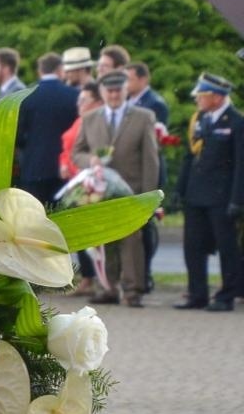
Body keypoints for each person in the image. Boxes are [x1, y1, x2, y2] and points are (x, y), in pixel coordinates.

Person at [73, 70, 159, 307]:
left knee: (132, 242)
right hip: (100, 192)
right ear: (102, 92)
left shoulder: (143, 117)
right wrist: (90, 160)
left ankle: (133, 291)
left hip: (132, 192)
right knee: (104, 240)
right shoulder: (90, 118)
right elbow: (76, 152)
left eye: (117, 90)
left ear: (124, 91)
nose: (113, 94)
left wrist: (149, 196)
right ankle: (108, 288)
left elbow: (151, 160)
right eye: (109, 91)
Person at [174, 73, 243, 312]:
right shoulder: (200, 120)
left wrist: (237, 199)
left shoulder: (235, 122)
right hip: (196, 193)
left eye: (202, 96)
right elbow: (190, 157)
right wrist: (180, 189)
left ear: (216, 97)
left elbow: (240, 165)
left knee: (227, 247)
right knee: (193, 246)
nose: (198, 101)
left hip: (221, 196)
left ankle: (226, 295)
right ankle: (197, 293)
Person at [15, 53, 81, 206]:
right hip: (64, 168)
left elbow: (18, 135)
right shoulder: (73, 95)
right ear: (60, 70)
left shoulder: (25, 96)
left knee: (35, 218)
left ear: (40, 71)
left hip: (33, 167)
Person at [127, 62, 170, 287]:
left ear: (143, 79)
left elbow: (154, 144)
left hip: (148, 169)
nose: (126, 84)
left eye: (130, 79)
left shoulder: (154, 104)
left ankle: (147, 273)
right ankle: (137, 274)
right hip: (130, 170)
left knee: (147, 225)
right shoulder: (128, 103)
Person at [63, 80, 106, 296]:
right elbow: (70, 147)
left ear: (98, 101)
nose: (79, 103)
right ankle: (88, 277)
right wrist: (64, 163)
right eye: (79, 99)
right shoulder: (81, 120)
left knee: (96, 234)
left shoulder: (99, 121)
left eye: (84, 99)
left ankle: (100, 279)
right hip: (77, 181)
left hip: (92, 181)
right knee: (82, 231)